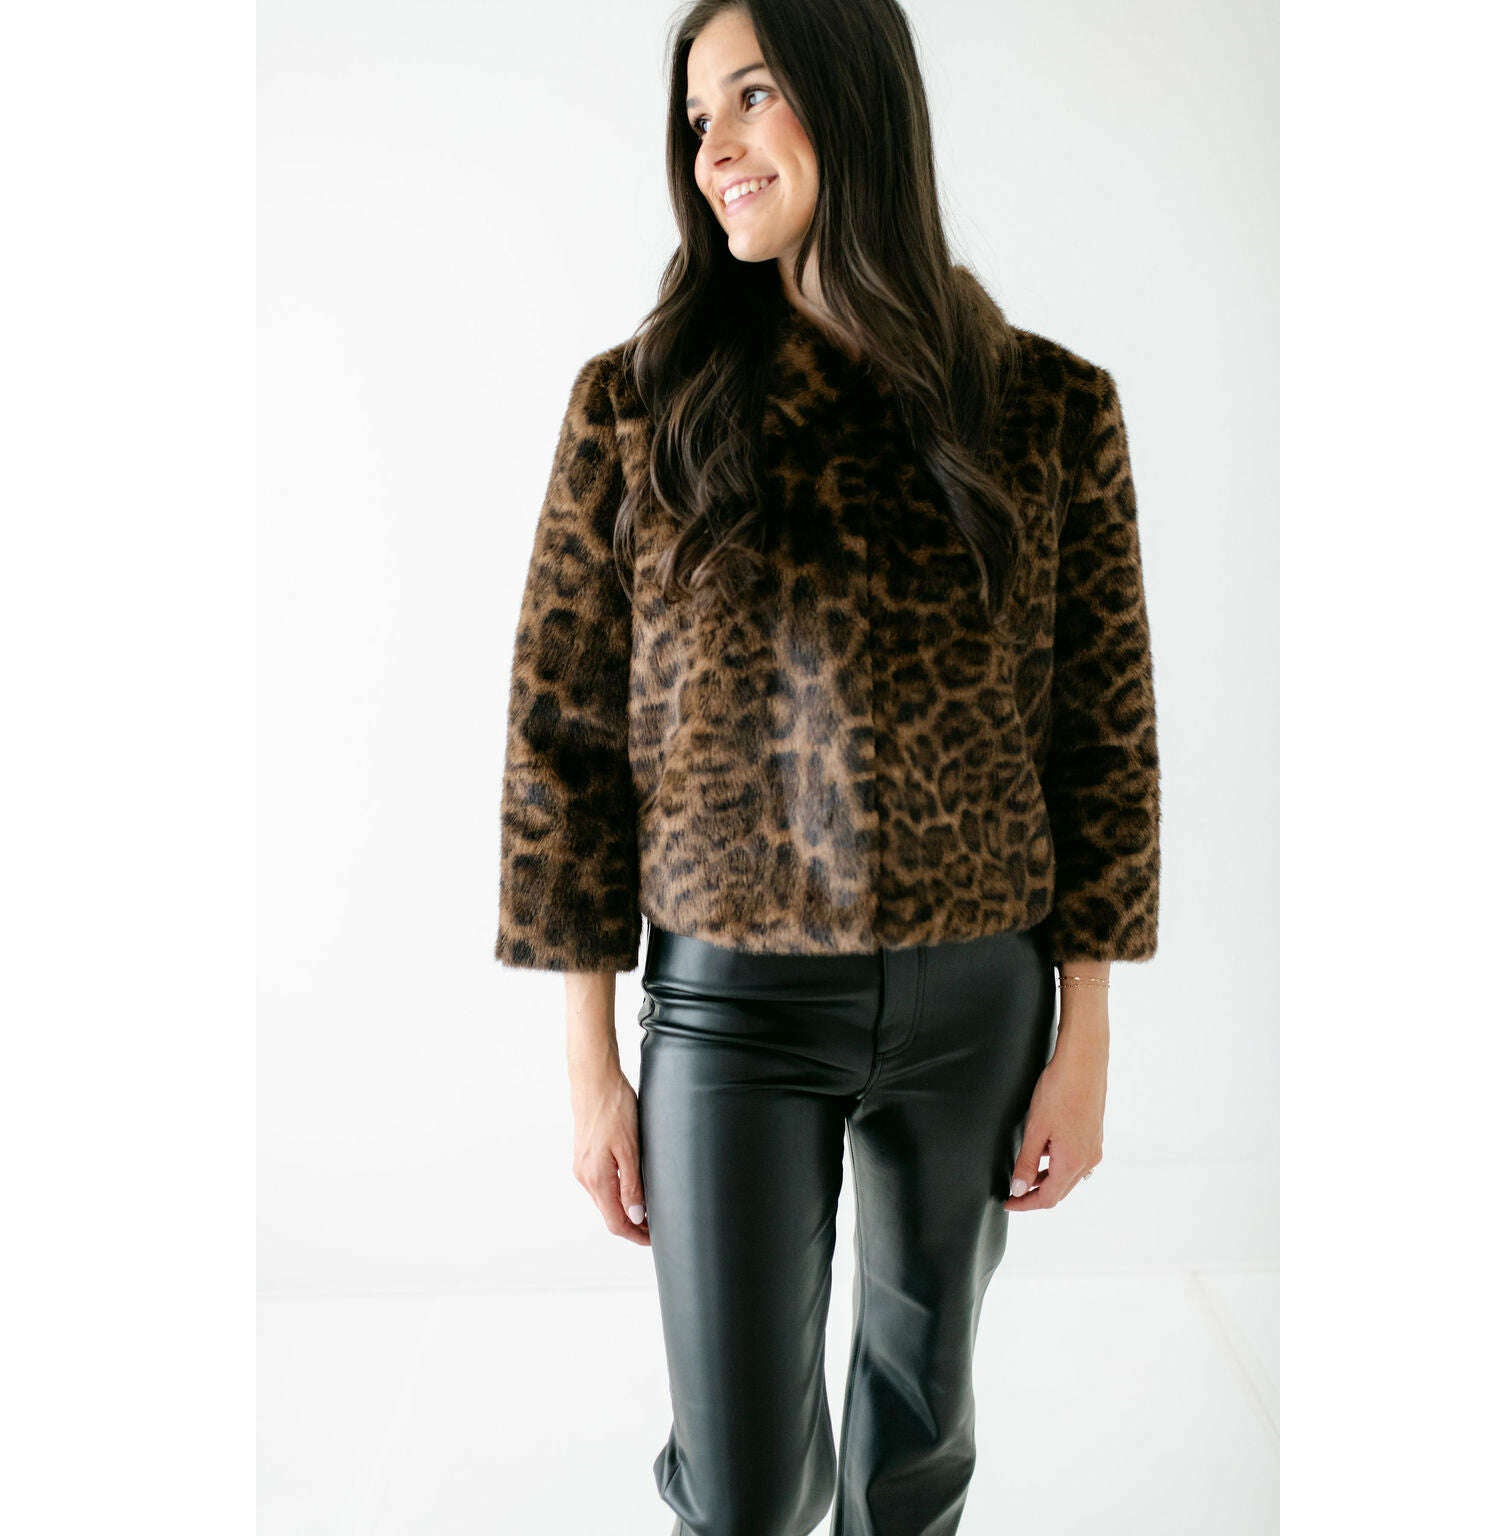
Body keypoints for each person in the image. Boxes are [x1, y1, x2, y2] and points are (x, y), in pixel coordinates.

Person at [493, 2, 1160, 1531]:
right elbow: (561, 743)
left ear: (855, 98)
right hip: (730, 1008)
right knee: (741, 1485)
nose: (714, 148)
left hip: (979, 1001)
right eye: (696, 117)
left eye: (753, 95)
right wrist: (591, 1065)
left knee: (918, 1448)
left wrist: (1088, 1033)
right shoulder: (638, 405)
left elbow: (1102, 734)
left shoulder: (1050, 407)